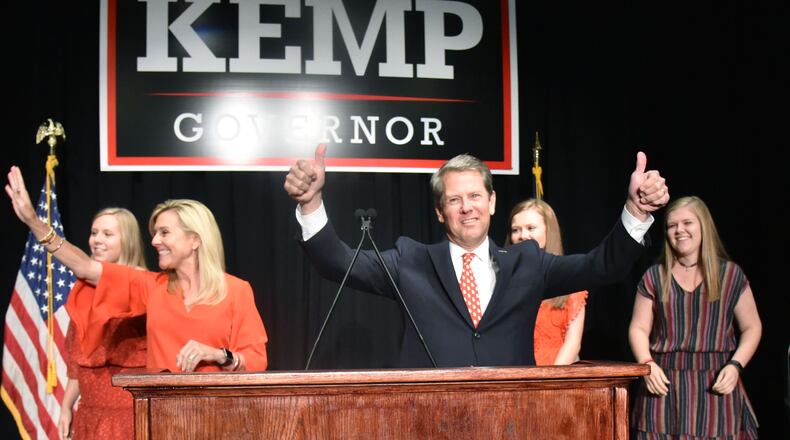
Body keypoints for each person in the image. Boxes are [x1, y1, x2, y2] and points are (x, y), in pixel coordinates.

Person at [284, 145, 669, 367]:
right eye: (454, 199)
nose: (466, 208)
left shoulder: (529, 262)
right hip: (427, 422)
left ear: (492, 202)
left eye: (475, 197)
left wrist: (636, 214)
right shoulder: (410, 261)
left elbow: (602, 266)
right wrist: (311, 202)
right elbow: (336, 261)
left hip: (511, 421)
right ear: (440, 211)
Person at [5, 166, 269, 375]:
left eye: (165, 232)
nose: (154, 241)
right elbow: (84, 267)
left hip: (218, 415)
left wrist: (219, 354)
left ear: (195, 240)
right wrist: (34, 223)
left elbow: (256, 361)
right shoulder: (151, 286)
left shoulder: (236, 290)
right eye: (155, 233)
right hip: (162, 416)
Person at [629, 196, 761, 439]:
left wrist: (736, 365)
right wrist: (647, 364)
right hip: (664, 388)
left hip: (717, 387)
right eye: (671, 225)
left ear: (703, 226)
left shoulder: (730, 275)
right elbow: (638, 327)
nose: (679, 230)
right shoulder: (655, 276)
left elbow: (752, 327)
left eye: (687, 222)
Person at [58, 207, 148, 440]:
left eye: (107, 234)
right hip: (90, 415)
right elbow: (78, 364)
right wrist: (67, 406)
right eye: (94, 232)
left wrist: (34, 223)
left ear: (127, 240)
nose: (97, 240)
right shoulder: (84, 293)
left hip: (129, 416)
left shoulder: (143, 285)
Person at [506, 199, 588, 366]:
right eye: (516, 230)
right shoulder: (503, 280)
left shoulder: (569, 283)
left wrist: (549, 381)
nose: (522, 235)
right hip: (513, 373)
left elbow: (573, 344)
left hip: (555, 376)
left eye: (531, 228)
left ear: (548, 231)